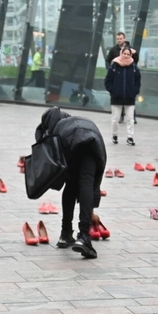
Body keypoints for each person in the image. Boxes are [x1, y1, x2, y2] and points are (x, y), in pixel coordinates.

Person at [35, 107, 107, 260]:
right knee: (87, 183)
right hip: (93, 141)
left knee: (71, 184)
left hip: (70, 143)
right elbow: (94, 183)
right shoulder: (75, 120)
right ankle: (84, 236)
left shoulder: (56, 129)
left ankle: (65, 233)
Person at [105, 46, 141, 146]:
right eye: (124, 53)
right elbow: (108, 81)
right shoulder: (114, 66)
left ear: (130, 55)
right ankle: (114, 135)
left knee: (130, 119)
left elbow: (138, 81)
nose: (126, 56)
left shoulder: (133, 67)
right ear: (121, 54)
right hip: (116, 98)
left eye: (128, 54)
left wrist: (134, 91)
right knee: (115, 119)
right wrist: (113, 91)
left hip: (130, 98)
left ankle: (130, 137)